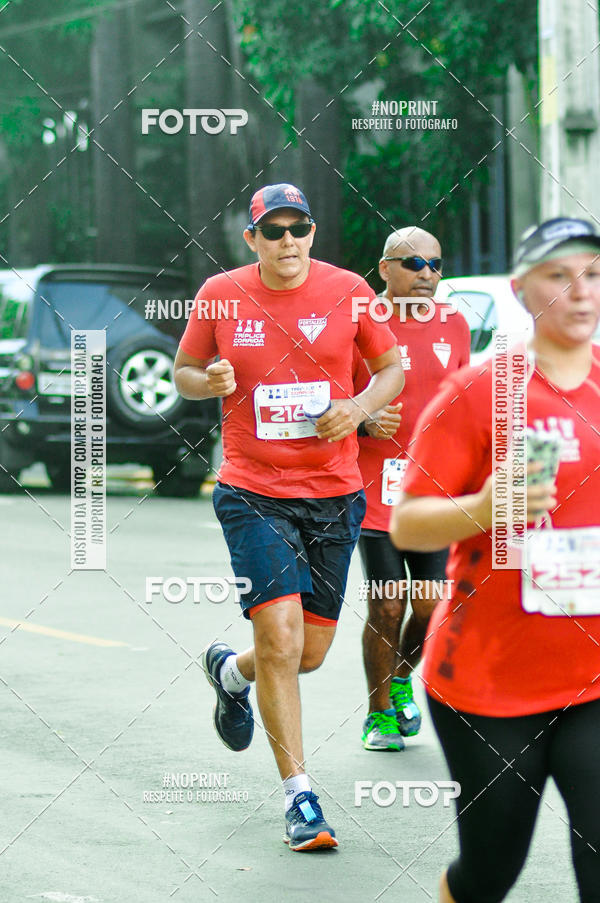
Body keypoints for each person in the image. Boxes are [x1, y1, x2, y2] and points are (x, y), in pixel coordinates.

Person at [174, 183, 404, 851]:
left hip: (334, 492)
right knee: (279, 637)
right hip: (252, 490)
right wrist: (208, 382)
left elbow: (390, 369)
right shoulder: (219, 293)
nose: (286, 241)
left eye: (297, 228)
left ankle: (231, 673)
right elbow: (184, 370)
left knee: (308, 652)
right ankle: (300, 797)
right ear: (252, 239)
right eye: (272, 231)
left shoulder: (349, 290)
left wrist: (358, 408)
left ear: (311, 233)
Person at [390, 217, 600, 902]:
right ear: (520, 289)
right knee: (489, 873)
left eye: (593, 275)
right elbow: (407, 525)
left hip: (593, 677)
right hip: (489, 683)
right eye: (558, 275)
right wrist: (485, 506)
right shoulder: (478, 391)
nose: (580, 291)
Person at [353, 227, 470, 751]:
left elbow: (464, 403)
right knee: (387, 605)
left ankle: (400, 676)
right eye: (414, 263)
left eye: (435, 264)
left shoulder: (455, 322)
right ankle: (378, 715)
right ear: (385, 268)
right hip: (372, 489)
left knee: (431, 607)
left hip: (434, 489)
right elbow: (327, 397)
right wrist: (363, 422)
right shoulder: (359, 321)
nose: (427, 274)